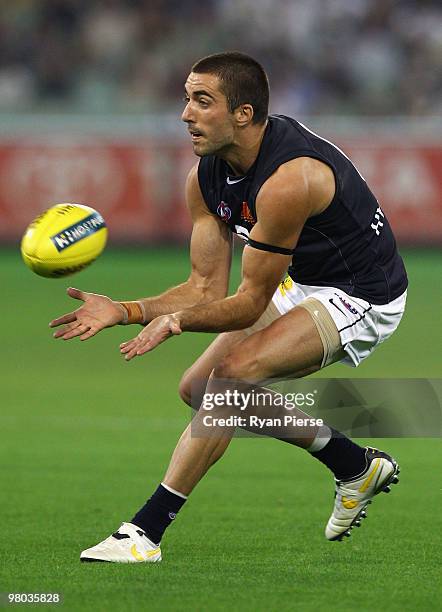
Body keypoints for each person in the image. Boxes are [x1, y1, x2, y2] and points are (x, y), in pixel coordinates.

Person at [50, 52, 407, 563]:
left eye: (201, 101)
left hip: (362, 293)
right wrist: (126, 310)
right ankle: (355, 465)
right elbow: (203, 288)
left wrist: (173, 322)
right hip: (304, 281)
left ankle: (145, 534)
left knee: (230, 378)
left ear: (243, 113)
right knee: (199, 388)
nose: (185, 114)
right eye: (185, 99)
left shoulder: (290, 178)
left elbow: (245, 304)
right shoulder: (205, 178)